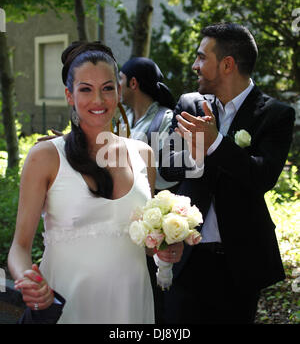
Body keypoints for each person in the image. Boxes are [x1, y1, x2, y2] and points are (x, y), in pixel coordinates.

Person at [8, 41, 183, 324]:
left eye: (107, 88)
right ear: (69, 95)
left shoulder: (143, 154)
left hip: (131, 302)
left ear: (119, 90)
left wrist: (166, 247)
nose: (98, 101)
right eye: (86, 89)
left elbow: (145, 242)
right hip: (69, 303)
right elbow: (19, 247)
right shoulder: (46, 157)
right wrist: (28, 279)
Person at [158, 22, 295, 324]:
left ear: (227, 64)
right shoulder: (188, 105)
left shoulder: (276, 114)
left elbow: (262, 177)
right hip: (188, 258)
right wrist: (199, 153)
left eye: (201, 57)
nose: (195, 65)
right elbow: (167, 165)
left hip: (240, 264)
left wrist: (216, 143)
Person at [119, 57, 179, 193]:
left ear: (133, 83)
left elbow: (168, 173)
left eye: (120, 79)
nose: (117, 86)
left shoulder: (165, 119)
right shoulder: (124, 119)